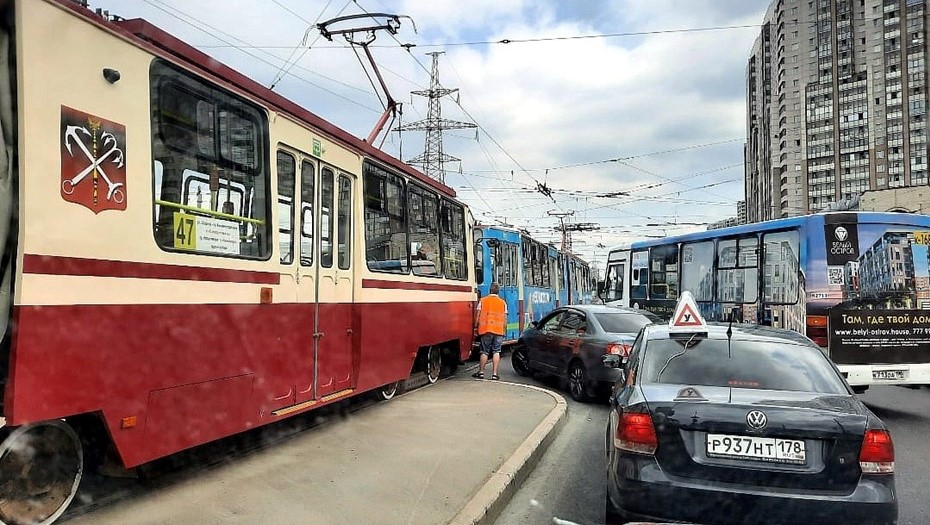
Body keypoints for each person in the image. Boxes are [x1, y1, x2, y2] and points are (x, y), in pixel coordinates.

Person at [473, 282, 507, 380]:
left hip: (486, 330)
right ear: (498, 291)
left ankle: (481, 372)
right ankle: (495, 374)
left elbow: (478, 316)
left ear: (490, 290)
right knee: (496, 351)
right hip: (498, 331)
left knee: (484, 351)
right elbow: (505, 319)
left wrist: (475, 327)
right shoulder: (503, 303)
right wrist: (503, 330)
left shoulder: (483, 301)